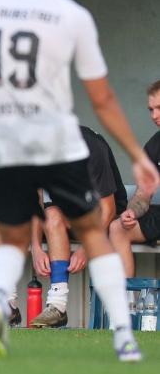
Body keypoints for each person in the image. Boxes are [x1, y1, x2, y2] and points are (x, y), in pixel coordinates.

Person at [0, 0, 159, 361]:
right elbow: (102, 96)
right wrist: (137, 151)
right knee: (93, 231)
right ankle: (122, 333)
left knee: (8, 230)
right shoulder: (72, 15)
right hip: (53, 131)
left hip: (3, 134)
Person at [30, 125, 127, 328]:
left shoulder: (90, 145)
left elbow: (107, 208)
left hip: (103, 216)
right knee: (51, 214)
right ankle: (57, 306)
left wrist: (86, 248)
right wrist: (36, 248)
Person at [109, 81, 160, 277]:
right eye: (151, 110)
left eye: (159, 108)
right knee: (118, 227)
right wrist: (132, 212)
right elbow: (143, 193)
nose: (154, 116)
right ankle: (126, 303)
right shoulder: (154, 146)